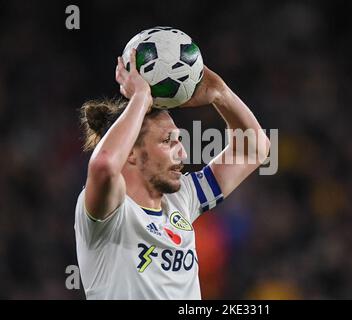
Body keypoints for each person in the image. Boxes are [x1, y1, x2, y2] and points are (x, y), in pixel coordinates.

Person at [74, 48, 270, 299]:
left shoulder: (181, 200)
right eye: (168, 141)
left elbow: (254, 151)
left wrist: (221, 94)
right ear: (131, 153)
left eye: (180, 140)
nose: (183, 154)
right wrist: (140, 99)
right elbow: (103, 165)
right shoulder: (109, 213)